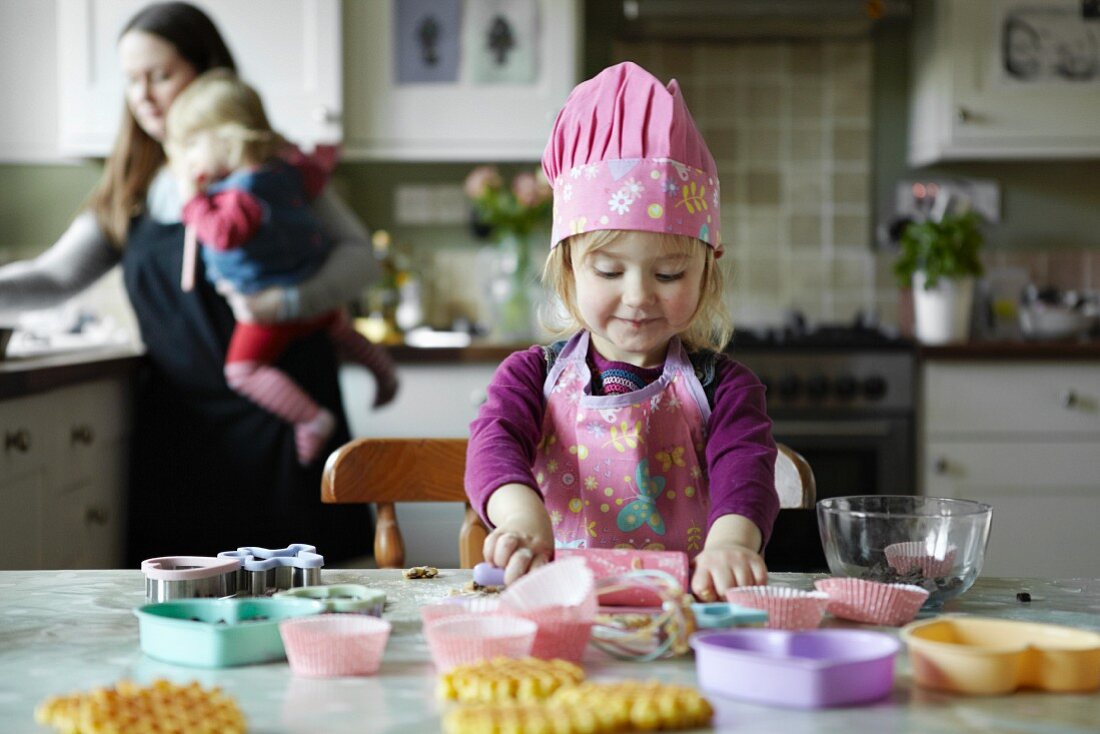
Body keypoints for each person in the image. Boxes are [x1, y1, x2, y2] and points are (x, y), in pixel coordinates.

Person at [0, 2, 376, 564]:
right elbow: (56, 277)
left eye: (161, 75)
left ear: (208, 73)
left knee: (305, 611)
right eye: (132, 81)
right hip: (182, 437)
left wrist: (290, 300)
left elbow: (358, 255)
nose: (144, 96)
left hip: (284, 419)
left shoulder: (274, 168)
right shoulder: (133, 184)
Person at [464, 62, 779, 601]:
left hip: (681, 612)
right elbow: (493, 445)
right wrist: (520, 517)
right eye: (609, 271)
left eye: (669, 273)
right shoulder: (530, 377)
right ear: (568, 270)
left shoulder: (723, 387)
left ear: (708, 272)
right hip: (561, 606)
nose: (638, 296)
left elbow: (745, 467)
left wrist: (731, 544)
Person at [165, 69, 397, 465]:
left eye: (191, 144)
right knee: (338, 329)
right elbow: (315, 176)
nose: (187, 158)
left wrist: (191, 197)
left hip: (269, 312)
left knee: (241, 372)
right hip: (314, 292)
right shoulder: (286, 172)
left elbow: (221, 235)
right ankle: (383, 373)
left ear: (227, 140)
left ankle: (310, 420)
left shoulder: (240, 196)